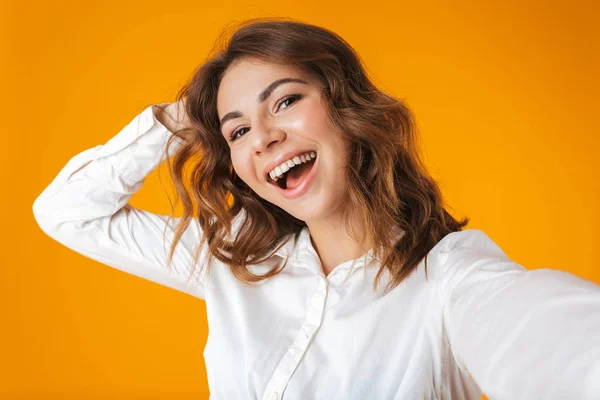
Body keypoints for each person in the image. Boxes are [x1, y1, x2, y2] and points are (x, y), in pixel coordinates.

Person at [32, 17, 600, 400]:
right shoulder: (234, 265)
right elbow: (66, 212)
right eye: (237, 131)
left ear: (345, 106)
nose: (263, 138)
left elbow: (556, 341)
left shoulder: (448, 278)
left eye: (285, 100)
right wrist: (179, 118)